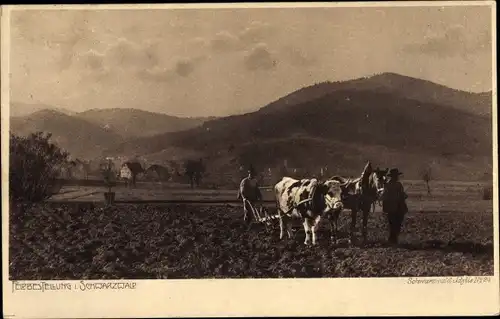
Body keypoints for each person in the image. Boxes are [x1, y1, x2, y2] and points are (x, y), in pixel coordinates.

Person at [382, 168, 408, 245]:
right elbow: (402, 195)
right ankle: (393, 239)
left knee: (393, 224)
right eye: (396, 176)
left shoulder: (388, 185)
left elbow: (385, 196)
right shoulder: (397, 185)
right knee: (396, 224)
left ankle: (392, 239)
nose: (397, 177)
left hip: (392, 207)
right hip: (397, 207)